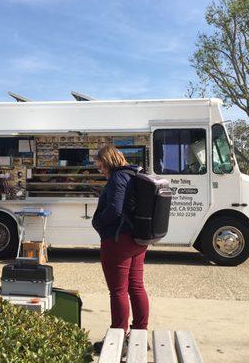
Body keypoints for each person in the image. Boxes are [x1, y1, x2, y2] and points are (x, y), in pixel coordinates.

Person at [91, 145, 149, 354]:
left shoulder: (117, 178)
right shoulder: (134, 174)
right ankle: (140, 334)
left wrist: (97, 223)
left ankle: (118, 340)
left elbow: (114, 209)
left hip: (118, 241)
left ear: (107, 162)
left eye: (100, 166)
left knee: (117, 291)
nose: (101, 171)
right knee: (136, 287)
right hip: (138, 240)